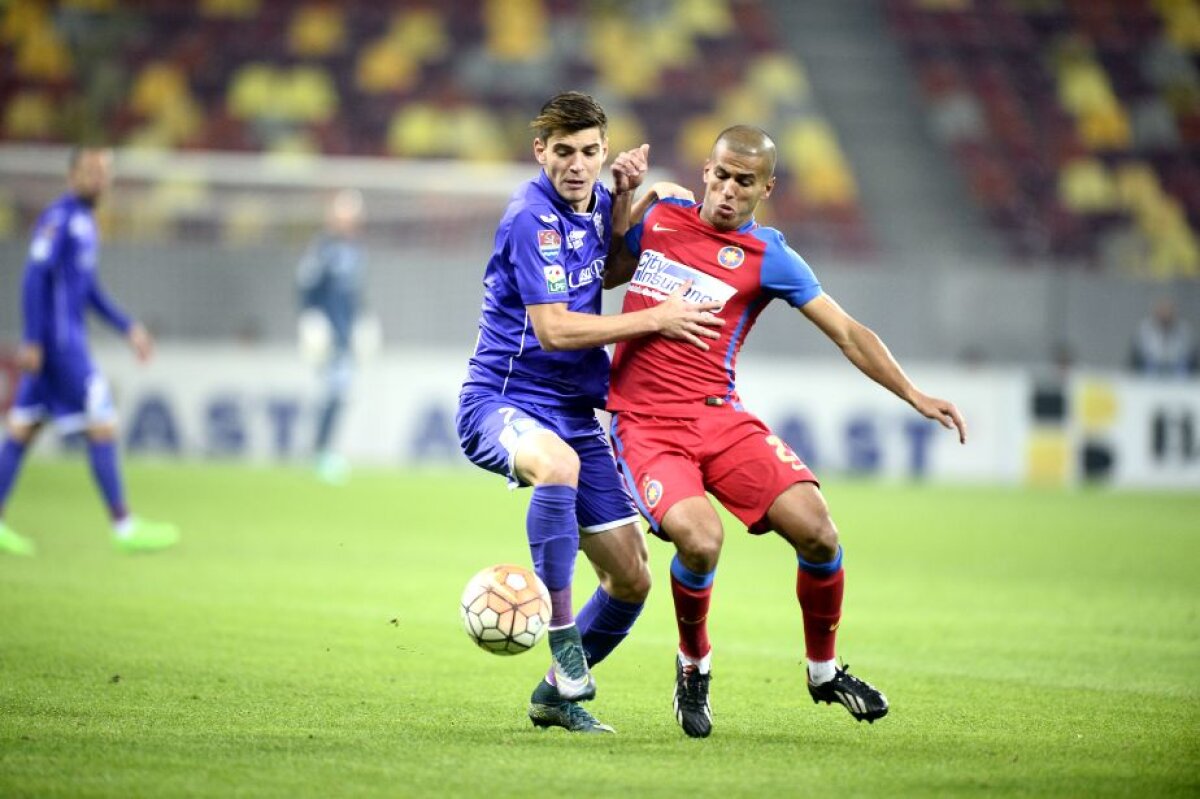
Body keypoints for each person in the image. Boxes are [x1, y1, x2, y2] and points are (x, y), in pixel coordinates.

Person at [605, 125, 968, 738]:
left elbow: (848, 331)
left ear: (765, 188)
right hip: (645, 422)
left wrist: (914, 393)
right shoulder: (662, 214)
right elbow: (612, 271)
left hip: (719, 415)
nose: (726, 190)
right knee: (701, 541)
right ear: (705, 170)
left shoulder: (770, 256)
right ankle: (694, 663)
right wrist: (624, 198)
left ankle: (823, 672)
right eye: (719, 175)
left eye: (743, 182)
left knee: (820, 531)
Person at [456, 91, 724, 734]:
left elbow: (614, 269)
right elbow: (551, 330)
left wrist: (628, 199)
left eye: (591, 152)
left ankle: (555, 695)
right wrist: (653, 318)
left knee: (632, 577)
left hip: (575, 407)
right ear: (540, 151)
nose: (578, 165)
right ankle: (561, 634)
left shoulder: (600, 200)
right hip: (503, 398)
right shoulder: (528, 216)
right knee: (558, 465)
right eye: (565, 152)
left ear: (605, 152)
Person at [0, 147, 179, 557]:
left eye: (105, 172)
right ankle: (124, 525)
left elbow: (90, 291)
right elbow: (33, 278)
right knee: (103, 424)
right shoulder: (59, 219)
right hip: (60, 347)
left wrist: (127, 327)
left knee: (22, 430)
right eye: (91, 172)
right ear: (72, 176)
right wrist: (33, 339)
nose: (100, 179)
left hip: (61, 344)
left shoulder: (86, 222)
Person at [296, 188, 368, 483]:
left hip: (344, 335)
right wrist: (313, 319)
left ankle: (324, 451)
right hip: (328, 336)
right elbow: (305, 287)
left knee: (339, 393)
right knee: (334, 392)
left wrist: (362, 321)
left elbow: (353, 296)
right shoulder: (323, 250)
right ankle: (321, 452)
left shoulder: (354, 252)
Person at [1129, 298, 1197, 377]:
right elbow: (1140, 352)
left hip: (1176, 365)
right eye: (1162, 312)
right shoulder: (1145, 329)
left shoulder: (1184, 329)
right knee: (1148, 367)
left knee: (1183, 368)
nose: (1165, 315)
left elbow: (1188, 352)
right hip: (1152, 365)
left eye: (1168, 312)